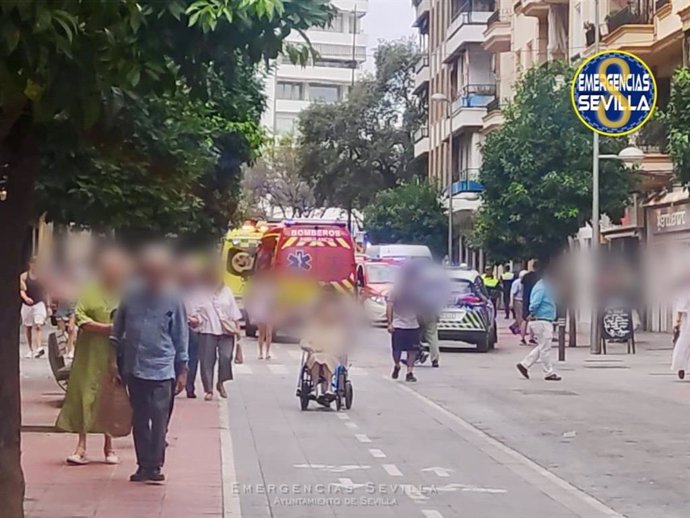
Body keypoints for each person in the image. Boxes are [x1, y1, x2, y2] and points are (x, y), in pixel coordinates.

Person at [110, 246, 189, 483]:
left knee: (159, 418)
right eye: (149, 272)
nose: (153, 277)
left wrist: (182, 369)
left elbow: (180, 335)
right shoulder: (130, 293)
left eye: (158, 273)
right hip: (134, 366)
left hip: (163, 368)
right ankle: (143, 465)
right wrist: (112, 362)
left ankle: (155, 465)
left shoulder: (173, 297)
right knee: (140, 418)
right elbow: (117, 330)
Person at [56, 248, 128, 465]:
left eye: (116, 270)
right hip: (89, 353)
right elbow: (80, 315)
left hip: (112, 353)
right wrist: (106, 328)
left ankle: (109, 446)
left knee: (109, 396)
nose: (113, 273)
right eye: (109, 269)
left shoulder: (125, 292)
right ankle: (81, 446)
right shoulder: (90, 289)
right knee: (85, 394)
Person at [191, 259, 242, 401]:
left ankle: (221, 382)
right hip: (207, 330)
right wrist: (196, 320)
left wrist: (238, 333)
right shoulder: (199, 292)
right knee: (207, 360)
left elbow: (234, 313)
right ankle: (209, 389)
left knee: (226, 357)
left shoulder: (226, 291)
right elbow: (193, 312)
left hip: (226, 332)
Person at [300, 288, 352, 405]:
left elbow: (342, 346)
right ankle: (315, 388)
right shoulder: (313, 326)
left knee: (326, 359)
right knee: (316, 359)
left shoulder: (338, 329)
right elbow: (304, 341)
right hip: (315, 355)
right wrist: (310, 347)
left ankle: (328, 388)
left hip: (332, 356)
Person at [516, 263, 561, 381]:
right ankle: (548, 372)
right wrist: (532, 312)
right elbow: (535, 303)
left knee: (543, 346)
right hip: (541, 320)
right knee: (545, 348)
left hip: (544, 320)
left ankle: (525, 364)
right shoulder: (542, 287)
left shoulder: (546, 286)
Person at [386, 263, 422, 382]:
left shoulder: (417, 291)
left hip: (413, 324)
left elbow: (421, 306)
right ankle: (397, 365)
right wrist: (390, 323)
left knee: (412, 350)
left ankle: (409, 372)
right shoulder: (396, 290)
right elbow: (390, 306)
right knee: (397, 350)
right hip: (399, 324)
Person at [178, 257, 203, 398]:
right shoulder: (173, 289)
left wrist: (197, 319)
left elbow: (203, 310)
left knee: (193, 358)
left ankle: (190, 386)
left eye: (192, 273)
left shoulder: (199, 290)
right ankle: (177, 383)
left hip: (193, 329)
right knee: (178, 356)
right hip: (178, 327)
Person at [20, 257, 49, 358]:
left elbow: (46, 290)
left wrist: (48, 305)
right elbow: (22, 289)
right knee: (28, 327)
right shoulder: (23, 276)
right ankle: (30, 349)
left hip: (38, 303)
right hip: (27, 304)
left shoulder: (41, 276)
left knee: (38, 325)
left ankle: (39, 347)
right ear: (30, 264)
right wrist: (26, 298)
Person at [246, 275, 274, 360]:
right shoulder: (256, 289)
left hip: (269, 312)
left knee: (269, 333)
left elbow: (274, 302)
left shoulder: (270, 290)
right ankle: (261, 352)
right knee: (261, 334)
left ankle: (268, 353)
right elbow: (250, 300)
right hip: (260, 313)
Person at [520, 260, 541, 346]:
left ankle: (522, 338)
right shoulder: (539, 277)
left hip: (526, 298)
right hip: (535, 298)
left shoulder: (526, 276)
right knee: (534, 318)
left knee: (525, 319)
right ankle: (531, 337)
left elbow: (522, 287)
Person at [671, 288, 690, 380]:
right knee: (684, 345)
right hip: (688, 324)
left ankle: (681, 366)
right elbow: (681, 308)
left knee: (684, 344)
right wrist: (677, 322)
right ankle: (681, 366)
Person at [510, 270, 527, 334]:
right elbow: (512, 293)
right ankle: (520, 329)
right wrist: (511, 302)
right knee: (520, 316)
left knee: (522, 317)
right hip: (517, 300)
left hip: (523, 300)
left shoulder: (525, 282)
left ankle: (514, 326)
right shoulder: (516, 283)